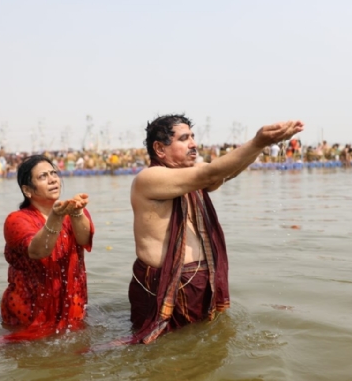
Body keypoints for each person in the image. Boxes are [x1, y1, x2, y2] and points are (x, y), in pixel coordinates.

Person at [128, 114, 303, 344]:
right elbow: (210, 173)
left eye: (192, 136)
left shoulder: (190, 175)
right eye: (184, 138)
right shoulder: (149, 178)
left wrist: (265, 143)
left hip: (199, 282)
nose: (193, 144)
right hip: (163, 285)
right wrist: (258, 142)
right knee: (159, 352)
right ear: (160, 149)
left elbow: (224, 172)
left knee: (200, 351)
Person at [1, 154, 94, 341]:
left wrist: (76, 213)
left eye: (54, 173)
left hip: (72, 307)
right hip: (29, 312)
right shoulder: (17, 220)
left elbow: (85, 238)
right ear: (27, 190)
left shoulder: (71, 210)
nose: (52, 179)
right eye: (43, 176)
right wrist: (56, 217)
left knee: (75, 364)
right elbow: (38, 251)